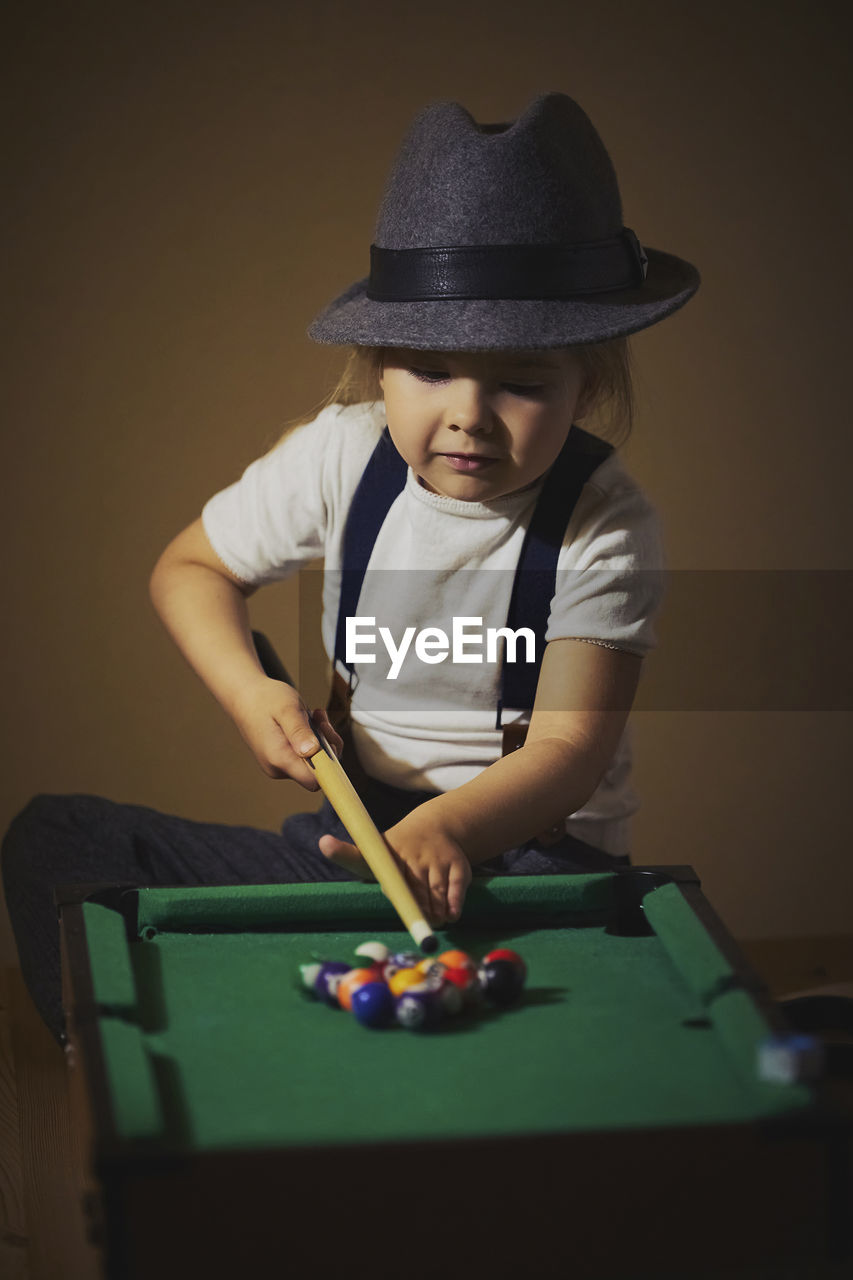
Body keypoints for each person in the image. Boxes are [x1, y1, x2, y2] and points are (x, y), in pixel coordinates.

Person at [2, 93, 699, 1043]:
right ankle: (119, 1061)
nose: (467, 414)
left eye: (522, 382)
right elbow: (191, 568)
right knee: (56, 839)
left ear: (589, 379)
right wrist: (253, 699)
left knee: (525, 991)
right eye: (427, 369)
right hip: (349, 844)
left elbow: (564, 755)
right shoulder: (340, 455)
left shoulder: (605, 522)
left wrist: (450, 830)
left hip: (530, 865)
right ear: (376, 365)